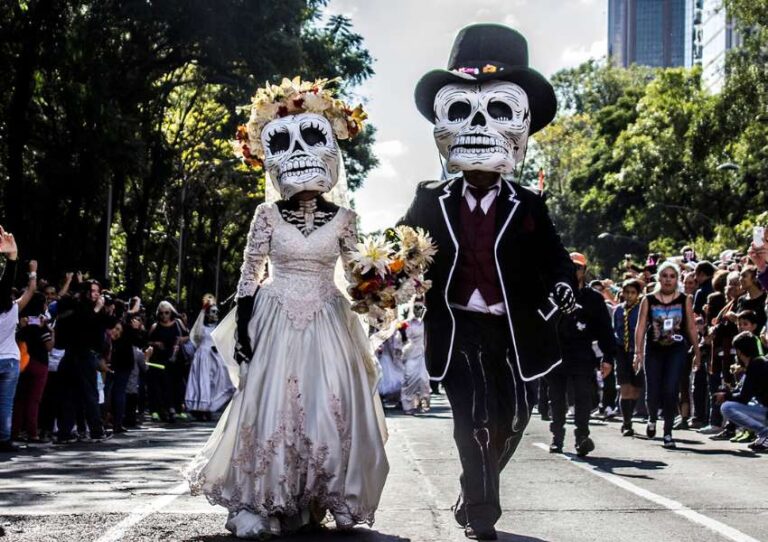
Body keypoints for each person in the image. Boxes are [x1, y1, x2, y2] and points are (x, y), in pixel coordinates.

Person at [185, 76, 388, 539]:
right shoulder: (266, 215)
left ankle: (332, 493)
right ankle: (263, 499)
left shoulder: (346, 219)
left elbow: (357, 275)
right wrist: (243, 325)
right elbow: (250, 271)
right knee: (272, 406)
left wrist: (384, 281)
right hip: (275, 317)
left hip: (328, 317)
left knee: (332, 401)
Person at [401, 24, 576, 540]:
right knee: (473, 420)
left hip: (515, 330)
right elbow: (400, 247)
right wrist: (388, 276)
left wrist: (562, 287)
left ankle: (476, 484)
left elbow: (557, 259)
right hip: (458, 327)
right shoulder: (430, 197)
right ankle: (482, 513)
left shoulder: (530, 205)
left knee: (514, 417)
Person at [547, 252, 615, 456]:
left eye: (578, 267)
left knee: (583, 396)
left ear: (584, 271)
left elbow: (605, 329)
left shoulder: (593, 298)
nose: (574, 271)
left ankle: (582, 437)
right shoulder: (552, 295)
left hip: (582, 353)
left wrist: (608, 357)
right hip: (556, 353)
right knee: (557, 398)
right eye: (570, 267)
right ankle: (557, 437)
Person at [634, 262, 701, 449]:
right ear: (659, 278)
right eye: (665, 276)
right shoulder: (648, 299)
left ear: (677, 279)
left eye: (672, 276)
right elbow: (640, 327)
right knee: (653, 388)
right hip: (654, 348)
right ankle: (652, 418)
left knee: (671, 389)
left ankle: (668, 432)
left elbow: (691, 326)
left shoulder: (684, 299)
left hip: (676, 348)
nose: (668, 279)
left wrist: (697, 350)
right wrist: (638, 352)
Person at [54, 278, 112, 443]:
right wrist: (98, 308)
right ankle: (94, 431)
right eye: (93, 291)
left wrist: (105, 309)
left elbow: (108, 323)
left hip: (83, 354)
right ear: (86, 291)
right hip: (78, 354)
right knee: (87, 395)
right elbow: (84, 324)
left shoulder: (93, 309)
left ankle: (66, 432)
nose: (96, 295)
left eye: (98, 292)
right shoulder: (78, 307)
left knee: (75, 395)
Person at [0, 228, 37, 453]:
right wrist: (28, 270)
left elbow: (3, 287)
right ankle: (4, 438)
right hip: (11, 359)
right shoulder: (14, 309)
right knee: (5, 402)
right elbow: (30, 290)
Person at [716, 331, 768, 452]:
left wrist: (725, 396)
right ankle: (763, 436)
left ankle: (765, 432)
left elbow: (743, 397)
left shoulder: (756, 365)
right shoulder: (759, 362)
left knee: (727, 407)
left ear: (740, 351)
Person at [184, 297, 234, 419]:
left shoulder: (218, 327)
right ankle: (201, 409)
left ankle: (210, 407)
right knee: (202, 382)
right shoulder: (203, 328)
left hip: (215, 358)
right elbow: (197, 335)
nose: (215, 314)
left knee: (217, 381)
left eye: (216, 312)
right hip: (203, 357)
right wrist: (203, 311)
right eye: (212, 312)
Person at [12, 292, 53, 442]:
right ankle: (32, 432)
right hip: (39, 363)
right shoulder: (41, 323)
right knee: (33, 400)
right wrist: (51, 332)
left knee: (19, 399)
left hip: (21, 362)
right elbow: (48, 346)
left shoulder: (21, 321)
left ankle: (14, 431)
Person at [147, 301, 189, 423]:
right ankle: (165, 409)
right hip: (160, 360)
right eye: (161, 313)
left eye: (167, 313)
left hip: (176, 358)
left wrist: (181, 340)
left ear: (171, 313)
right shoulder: (155, 326)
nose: (164, 316)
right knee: (163, 385)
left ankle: (177, 408)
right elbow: (147, 340)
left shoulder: (178, 323)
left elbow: (188, 336)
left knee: (177, 384)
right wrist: (156, 343)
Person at [613, 279, 644, 436]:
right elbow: (615, 330)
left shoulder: (641, 309)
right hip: (622, 351)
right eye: (627, 292)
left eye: (633, 293)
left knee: (636, 389)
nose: (630, 296)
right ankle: (627, 423)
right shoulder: (618, 310)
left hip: (637, 351)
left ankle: (629, 415)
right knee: (625, 387)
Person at [397, 302, 431, 415]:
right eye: (416, 308)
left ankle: (422, 403)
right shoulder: (407, 324)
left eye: (420, 308)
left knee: (423, 380)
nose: (418, 310)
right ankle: (408, 406)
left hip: (422, 354)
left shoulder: (425, 323)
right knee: (410, 379)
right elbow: (402, 340)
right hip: (410, 353)